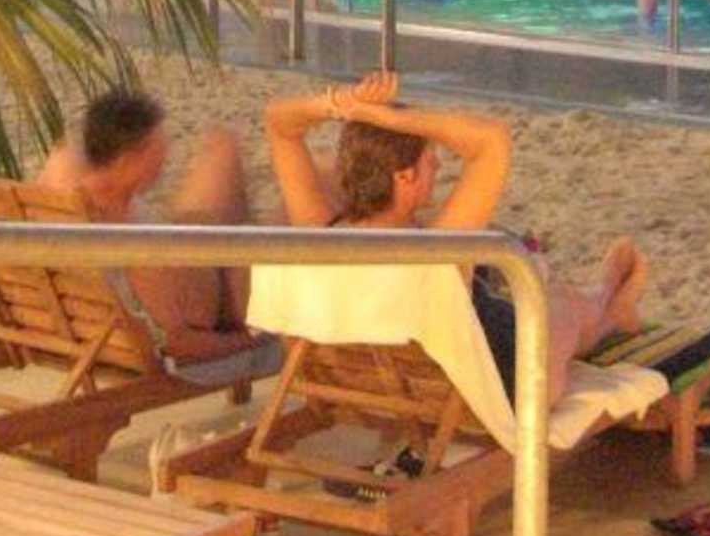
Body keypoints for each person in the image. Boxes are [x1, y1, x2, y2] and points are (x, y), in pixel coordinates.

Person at [265, 72, 649, 407]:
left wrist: (344, 103)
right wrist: (386, 117)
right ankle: (607, 301)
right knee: (556, 308)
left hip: (358, 385)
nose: (437, 166)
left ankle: (607, 305)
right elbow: (492, 140)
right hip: (469, 394)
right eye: (429, 160)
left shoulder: (320, 232)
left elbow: (279, 124)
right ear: (405, 176)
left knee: (529, 301)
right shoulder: (434, 251)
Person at [36, 88, 264, 364]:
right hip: (202, 312)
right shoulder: (132, 247)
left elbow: (64, 154)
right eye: (158, 151)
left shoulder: (73, 194)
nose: (164, 160)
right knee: (225, 157)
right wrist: (250, 342)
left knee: (221, 161)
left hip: (82, 322)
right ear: (127, 160)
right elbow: (179, 343)